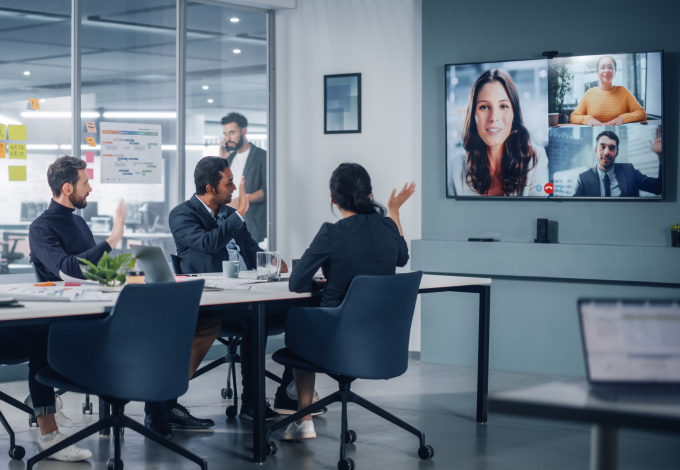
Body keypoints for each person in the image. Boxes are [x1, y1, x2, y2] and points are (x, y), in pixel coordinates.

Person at [29, 156, 216, 440]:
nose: (90, 188)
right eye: (85, 182)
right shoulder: (41, 228)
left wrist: (129, 273)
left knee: (157, 325)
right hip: (68, 320)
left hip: (97, 308)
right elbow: (67, 269)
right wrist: (113, 239)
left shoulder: (78, 224)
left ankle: (159, 409)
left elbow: (96, 271)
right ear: (67, 188)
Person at [280, 163, 415, 441]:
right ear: (369, 194)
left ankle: (304, 419)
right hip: (383, 342)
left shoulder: (332, 232)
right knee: (308, 321)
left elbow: (295, 283)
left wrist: (321, 284)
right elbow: (402, 258)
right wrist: (394, 212)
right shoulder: (388, 227)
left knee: (301, 318)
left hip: (336, 341)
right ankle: (299, 402)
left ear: (333, 198)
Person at [169, 156, 295, 421]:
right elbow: (208, 243)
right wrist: (239, 213)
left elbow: (251, 249)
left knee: (299, 315)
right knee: (254, 320)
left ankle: (290, 393)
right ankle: (253, 403)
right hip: (214, 304)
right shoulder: (182, 215)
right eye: (229, 183)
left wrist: (273, 262)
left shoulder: (228, 214)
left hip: (247, 295)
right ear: (211, 188)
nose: (235, 189)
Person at [448, 69, 549, 197]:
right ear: (473, 115)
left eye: (503, 106)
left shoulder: (535, 160)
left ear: (514, 114)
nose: (494, 117)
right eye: (484, 107)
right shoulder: (454, 167)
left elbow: (537, 214)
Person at [220, 112, 267, 244]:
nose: (228, 138)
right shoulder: (228, 159)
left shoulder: (262, 156)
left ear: (244, 131)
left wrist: (241, 201)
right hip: (228, 223)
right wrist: (222, 161)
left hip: (252, 224)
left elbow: (268, 190)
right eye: (225, 134)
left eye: (232, 133)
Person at [573, 130, 662, 197]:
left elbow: (659, 188)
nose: (606, 152)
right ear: (596, 150)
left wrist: (661, 155)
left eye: (611, 148)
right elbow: (575, 208)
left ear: (617, 152)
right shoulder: (583, 179)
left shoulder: (629, 171)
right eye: (602, 147)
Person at [570, 55, 647, 126]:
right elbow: (573, 117)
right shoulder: (589, 93)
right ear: (597, 72)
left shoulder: (623, 91)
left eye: (610, 67)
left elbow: (642, 113)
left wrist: (622, 119)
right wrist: (587, 120)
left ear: (615, 72)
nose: (606, 71)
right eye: (602, 67)